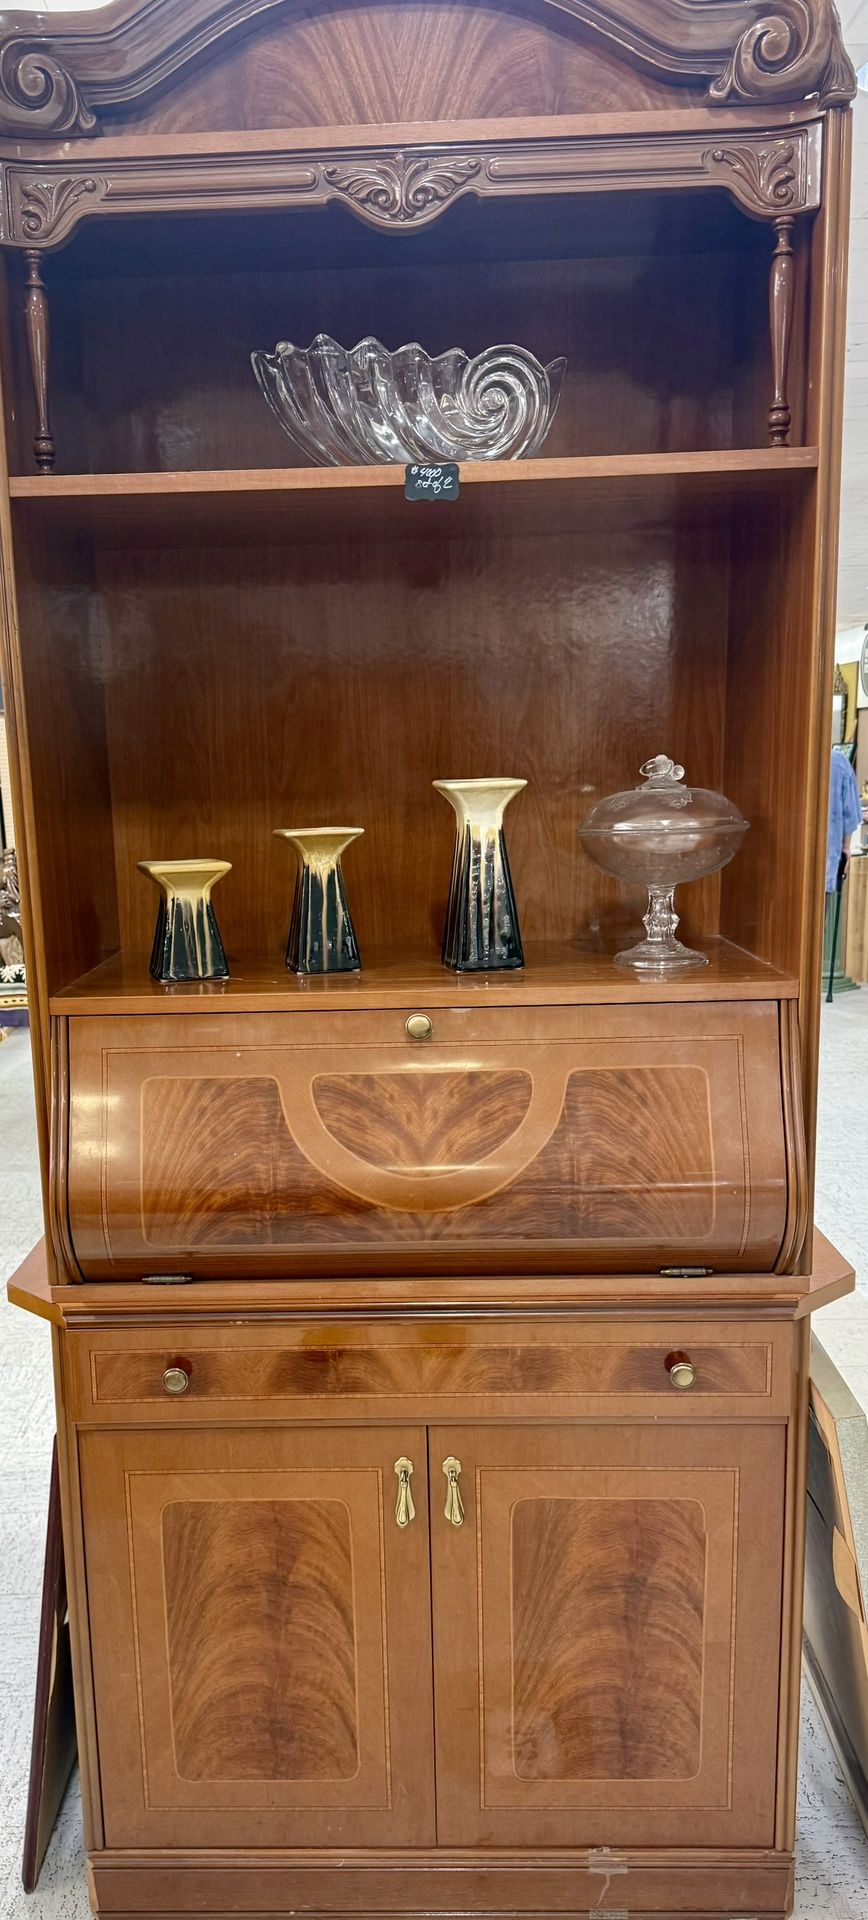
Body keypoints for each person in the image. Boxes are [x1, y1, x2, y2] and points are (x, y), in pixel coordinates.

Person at [826, 746, 862, 894]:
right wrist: (846, 848)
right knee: (820, 913)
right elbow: (850, 815)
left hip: (787, 864)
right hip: (827, 863)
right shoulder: (839, 762)